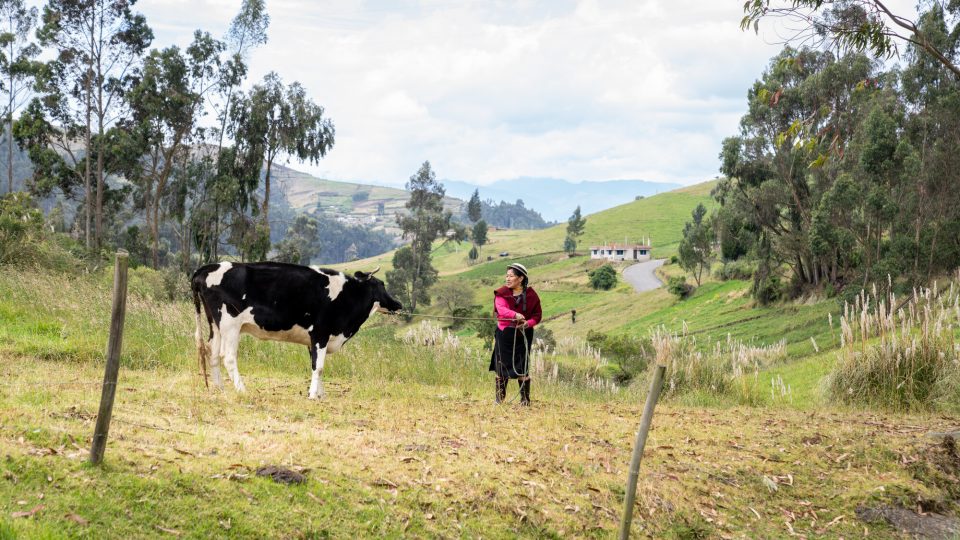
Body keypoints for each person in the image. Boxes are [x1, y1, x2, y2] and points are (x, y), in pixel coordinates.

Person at [489, 263, 542, 405]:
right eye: (507, 276)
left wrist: (528, 323)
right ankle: (499, 399)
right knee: (502, 366)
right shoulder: (501, 293)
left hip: (523, 335)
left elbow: (537, 315)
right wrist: (515, 314)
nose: (507, 279)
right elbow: (501, 310)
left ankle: (525, 400)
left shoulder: (531, 295)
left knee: (522, 367)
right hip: (505, 334)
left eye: (511, 276)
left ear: (521, 278)